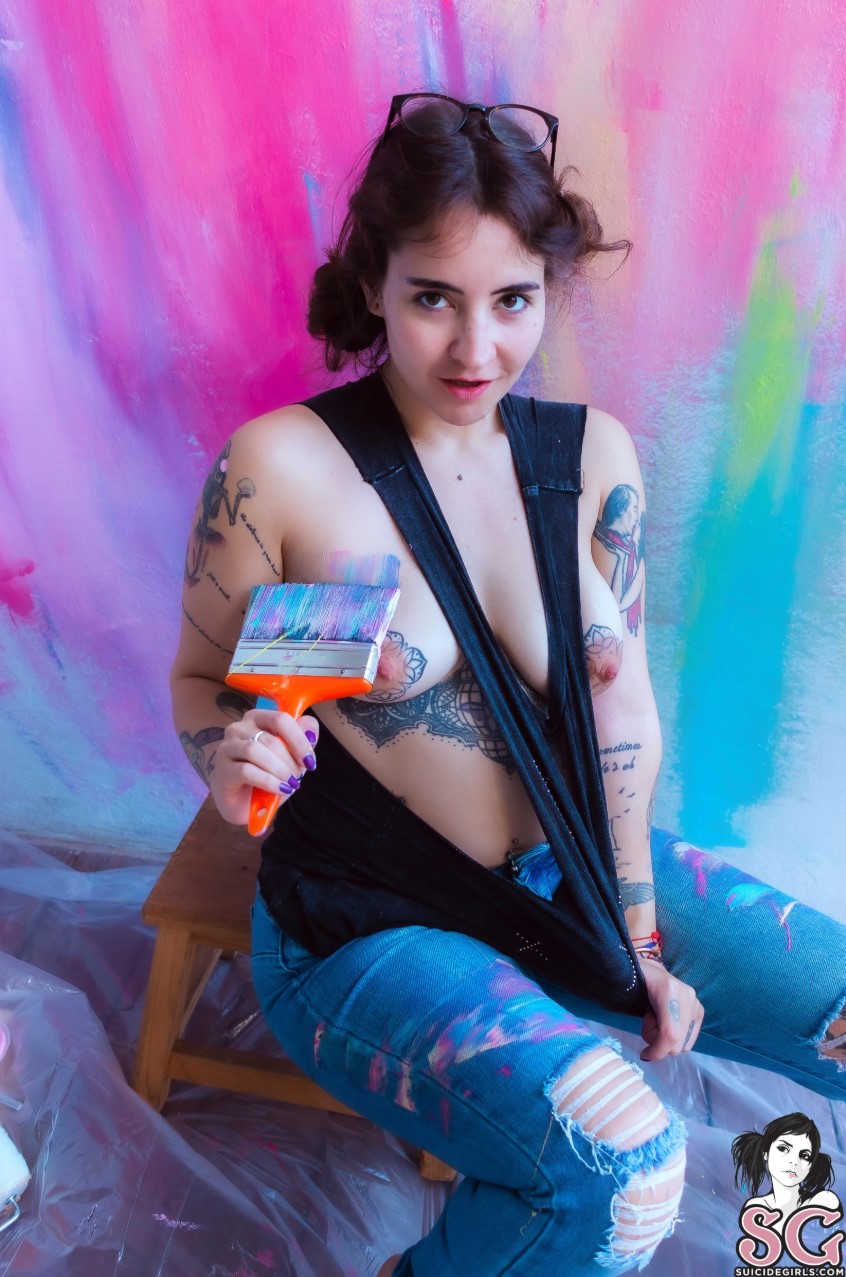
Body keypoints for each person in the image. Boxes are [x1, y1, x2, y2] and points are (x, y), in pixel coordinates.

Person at [170, 92, 846, 1276]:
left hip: (568, 872)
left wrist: (638, 936)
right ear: (376, 281)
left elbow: (621, 722)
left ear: (548, 289)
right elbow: (202, 680)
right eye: (434, 298)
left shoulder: (592, 459)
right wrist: (229, 755)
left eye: (513, 301)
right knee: (625, 1167)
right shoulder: (280, 466)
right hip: (366, 916)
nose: (475, 350)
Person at [732, 1112, 839, 1237]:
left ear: (811, 1165)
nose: (794, 1162)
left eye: (805, 1156)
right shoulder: (755, 1209)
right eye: (783, 1148)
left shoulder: (824, 1201)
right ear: (765, 1153)